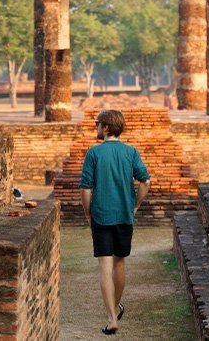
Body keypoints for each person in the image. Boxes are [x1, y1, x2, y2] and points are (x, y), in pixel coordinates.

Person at [79, 110, 151, 336]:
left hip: (101, 214)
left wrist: (88, 212)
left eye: (97, 124)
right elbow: (145, 181)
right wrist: (135, 205)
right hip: (124, 215)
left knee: (105, 267)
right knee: (119, 263)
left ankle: (112, 317)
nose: (96, 128)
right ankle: (116, 307)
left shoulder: (94, 153)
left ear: (107, 128)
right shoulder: (131, 152)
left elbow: (86, 188)